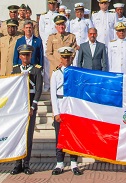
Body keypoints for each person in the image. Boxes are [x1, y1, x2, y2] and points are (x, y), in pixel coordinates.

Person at [10, 44, 43, 175]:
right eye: (23, 55)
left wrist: (33, 106)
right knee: (18, 136)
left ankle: (27, 164)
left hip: (30, 105)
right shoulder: (15, 70)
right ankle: (17, 164)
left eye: (28, 54)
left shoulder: (36, 70)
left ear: (30, 56)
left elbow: (39, 89)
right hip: (18, 107)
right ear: (19, 56)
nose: (25, 57)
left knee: (28, 136)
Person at [50, 46, 83, 176]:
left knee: (73, 136)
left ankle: (74, 163)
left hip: (72, 108)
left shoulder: (76, 72)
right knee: (59, 137)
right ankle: (59, 163)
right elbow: (53, 94)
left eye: (68, 57)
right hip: (60, 105)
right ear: (60, 58)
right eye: (64, 57)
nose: (66, 59)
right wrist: (56, 112)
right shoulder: (56, 73)